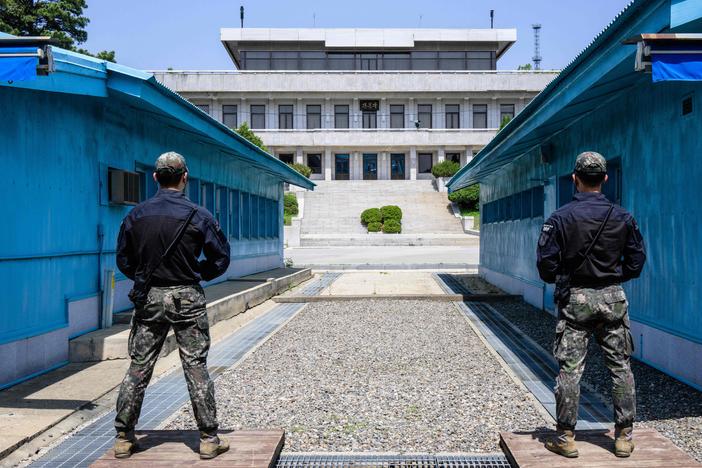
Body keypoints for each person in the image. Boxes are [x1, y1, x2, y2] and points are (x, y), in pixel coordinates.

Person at [114, 152, 231, 459]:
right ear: (185, 177)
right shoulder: (199, 215)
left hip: (149, 297)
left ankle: (124, 437)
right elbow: (220, 258)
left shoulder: (136, 215)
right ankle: (208, 438)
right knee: (195, 366)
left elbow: (123, 259)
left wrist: (144, 277)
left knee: (139, 366)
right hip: (187, 298)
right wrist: (198, 274)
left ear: (155, 177)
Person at [536, 151, 646, 458]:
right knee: (620, 367)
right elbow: (637, 262)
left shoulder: (560, 218)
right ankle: (623, 436)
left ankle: (565, 437)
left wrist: (566, 275)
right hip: (612, 297)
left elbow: (545, 266)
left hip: (575, 299)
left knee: (570, 370)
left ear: (575, 178)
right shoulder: (623, 216)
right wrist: (613, 276)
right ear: (605, 179)